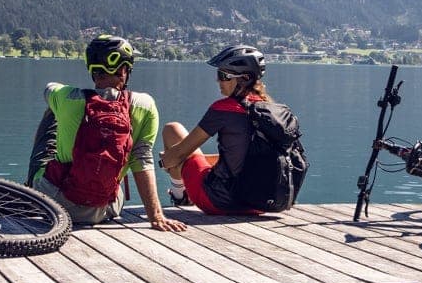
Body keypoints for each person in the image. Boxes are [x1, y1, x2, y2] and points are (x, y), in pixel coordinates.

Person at [26, 35, 186, 232]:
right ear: (125, 69)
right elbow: (142, 160)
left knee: (52, 112)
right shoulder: (145, 105)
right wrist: (156, 216)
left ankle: (30, 190)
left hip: (54, 202)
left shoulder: (68, 97)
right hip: (105, 209)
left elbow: (48, 89)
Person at [160, 44, 305, 215]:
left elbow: (179, 154)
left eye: (223, 75)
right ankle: (182, 192)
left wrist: (165, 162)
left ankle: (180, 196)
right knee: (197, 156)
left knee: (172, 130)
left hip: (219, 201)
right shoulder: (274, 112)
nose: (218, 80)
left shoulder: (223, 109)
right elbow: (251, 158)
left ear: (242, 78)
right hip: (259, 204)